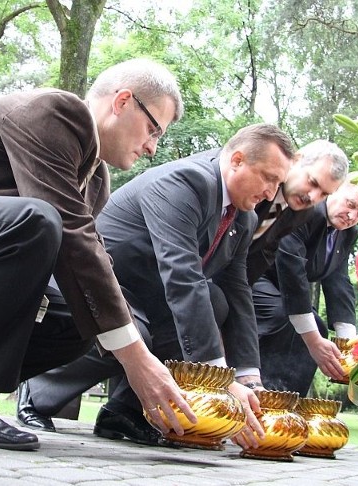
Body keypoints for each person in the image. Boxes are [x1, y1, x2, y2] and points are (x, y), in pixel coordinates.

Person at [0, 58, 200, 451]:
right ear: (123, 102)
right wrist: (136, 359)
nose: (153, 147)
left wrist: (127, 340)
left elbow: (83, 264)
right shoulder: (54, 111)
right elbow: (71, 236)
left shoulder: (95, 180)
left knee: (77, 319)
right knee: (38, 219)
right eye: (154, 129)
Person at [16, 124, 295, 447]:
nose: (272, 193)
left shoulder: (243, 219)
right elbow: (182, 275)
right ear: (236, 160)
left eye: (279, 183)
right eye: (268, 178)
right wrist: (217, 379)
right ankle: (37, 390)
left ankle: (124, 412)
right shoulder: (186, 182)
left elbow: (239, 292)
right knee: (136, 329)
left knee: (216, 300)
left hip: (151, 296)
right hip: (100, 283)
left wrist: (249, 376)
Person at [253, 182, 358, 395]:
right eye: (350, 205)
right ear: (336, 189)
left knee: (316, 327)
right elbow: (292, 269)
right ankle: (258, 385)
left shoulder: (348, 234)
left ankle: (287, 399)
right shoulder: (304, 213)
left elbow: (338, 280)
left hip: (284, 289)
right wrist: (312, 340)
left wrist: (348, 344)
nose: (351, 216)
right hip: (255, 276)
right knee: (284, 318)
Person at [247, 140, 349, 285]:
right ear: (295, 160)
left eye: (324, 194)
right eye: (313, 182)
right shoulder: (255, 179)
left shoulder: (303, 213)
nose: (313, 197)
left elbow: (260, 257)